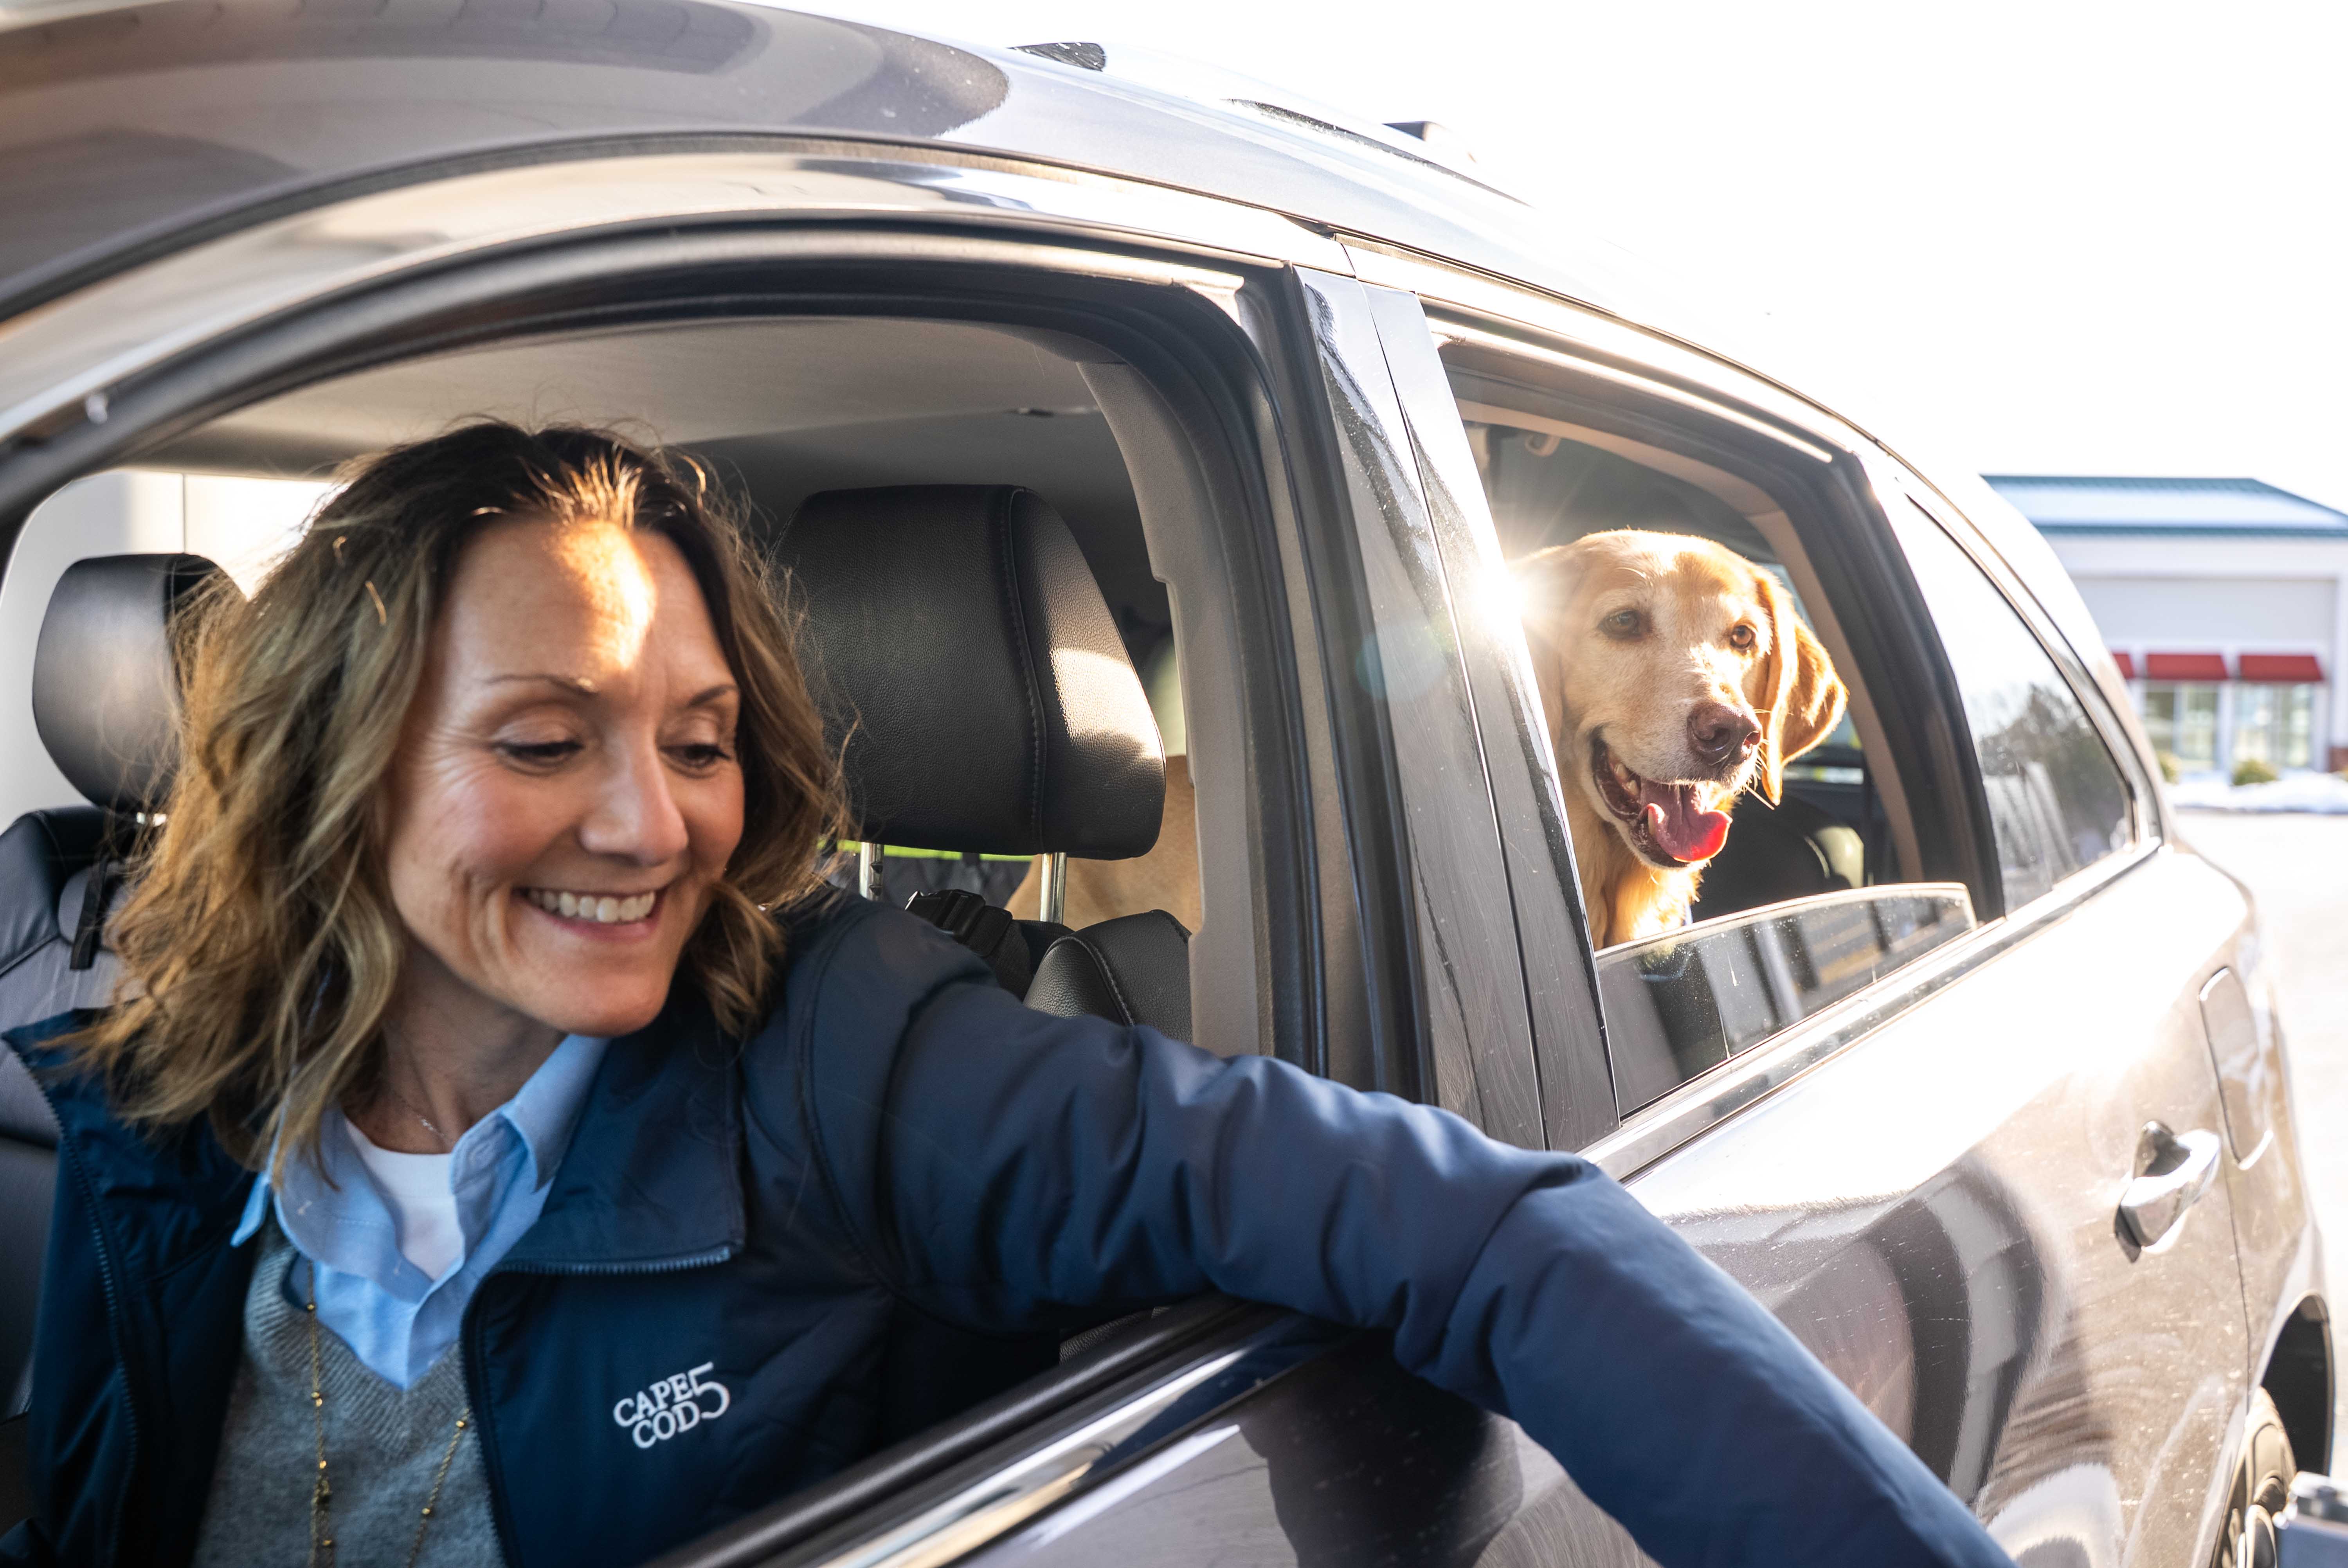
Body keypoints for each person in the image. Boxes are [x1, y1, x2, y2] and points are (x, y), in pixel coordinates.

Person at [3, 423, 2014, 1568]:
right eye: (544, 740)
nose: (652, 824)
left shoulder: (852, 1063)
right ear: (331, 769)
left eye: (700, 740)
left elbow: (1487, 1228)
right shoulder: (156, 1114)